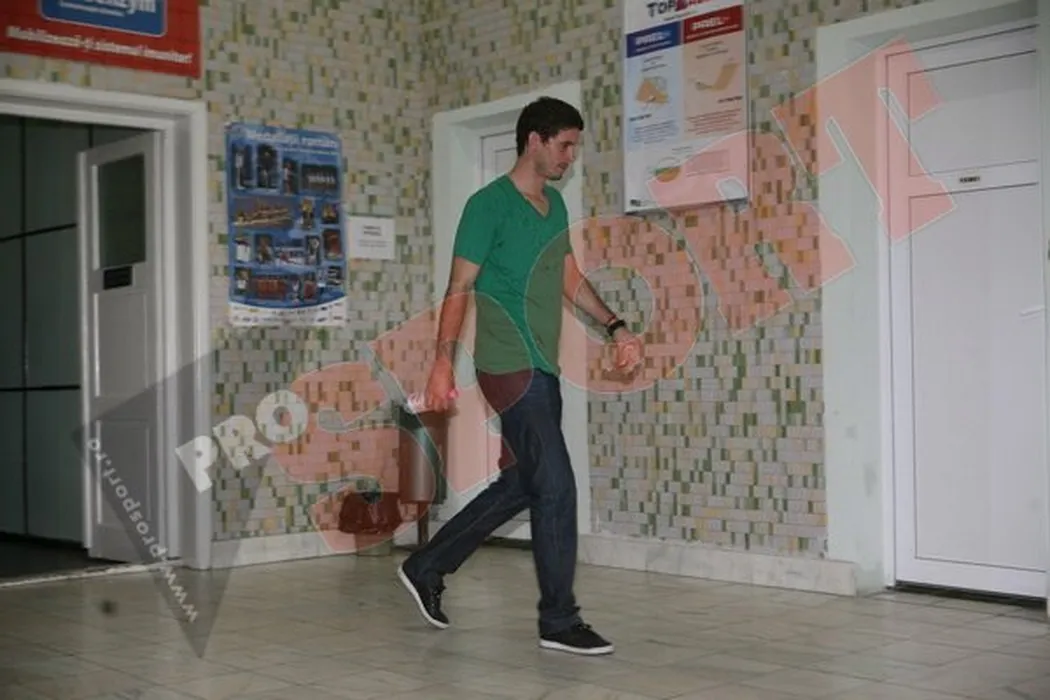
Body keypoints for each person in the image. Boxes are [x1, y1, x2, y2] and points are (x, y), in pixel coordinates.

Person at [397, 96, 642, 656]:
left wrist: (615, 325)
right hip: (507, 364)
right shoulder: (487, 206)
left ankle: (426, 565)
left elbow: (569, 276)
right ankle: (559, 620)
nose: (570, 157)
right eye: (565, 145)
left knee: (523, 483)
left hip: (543, 366)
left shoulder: (553, 206)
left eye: (574, 147)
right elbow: (459, 287)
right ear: (534, 140)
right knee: (557, 486)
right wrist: (442, 361)